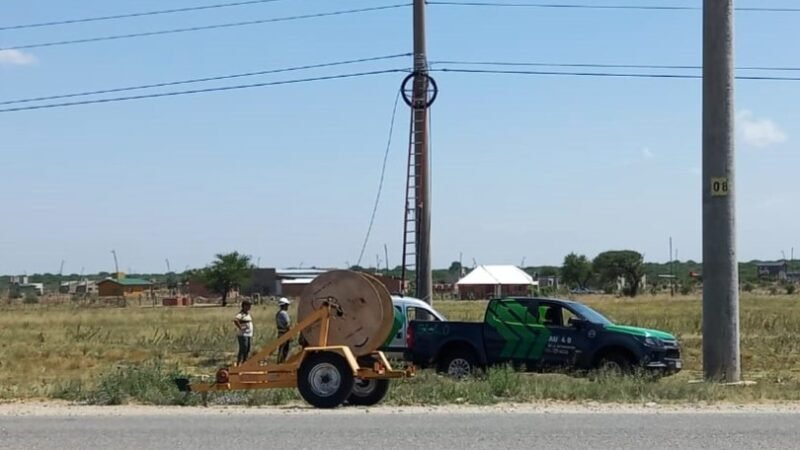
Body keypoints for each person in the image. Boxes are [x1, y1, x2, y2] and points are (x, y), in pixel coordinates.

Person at [233, 300, 253, 366]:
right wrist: (240, 327)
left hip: (249, 334)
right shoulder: (241, 314)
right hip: (243, 334)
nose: (250, 307)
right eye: (248, 306)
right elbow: (235, 320)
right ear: (244, 306)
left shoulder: (247, 314)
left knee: (247, 348)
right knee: (243, 348)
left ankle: (244, 362)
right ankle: (239, 362)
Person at [276, 297, 292, 363]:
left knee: (281, 349)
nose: (287, 306)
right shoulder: (284, 313)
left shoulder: (278, 313)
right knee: (284, 350)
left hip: (280, 333)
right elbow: (287, 324)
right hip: (285, 334)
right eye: (287, 305)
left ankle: (279, 362)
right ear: (284, 305)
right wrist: (290, 335)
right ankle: (281, 363)